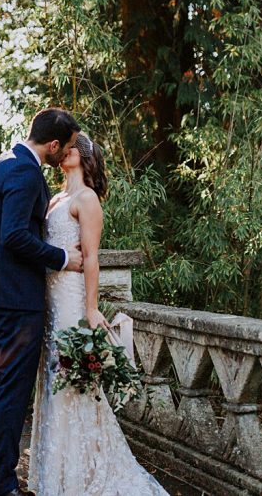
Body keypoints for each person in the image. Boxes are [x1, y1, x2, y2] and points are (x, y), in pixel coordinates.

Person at [28, 133, 168, 496]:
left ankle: (85, 475)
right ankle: (55, 474)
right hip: (49, 301)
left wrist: (91, 309)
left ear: (85, 156)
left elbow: (92, 258)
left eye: (71, 146)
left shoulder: (87, 199)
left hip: (73, 302)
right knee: (53, 381)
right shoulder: (56, 198)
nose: (64, 150)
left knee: (74, 384)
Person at [0, 107, 85, 496]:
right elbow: (15, 235)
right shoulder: (25, 171)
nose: (66, 152)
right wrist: (65, 258)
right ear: (53, 145)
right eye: (66, 146)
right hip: (16, 298)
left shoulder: (1, 162)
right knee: (11, 395)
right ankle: (2, 486)